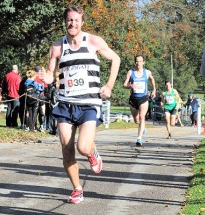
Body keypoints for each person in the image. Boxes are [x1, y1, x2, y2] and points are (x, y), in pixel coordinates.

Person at [39, 5, 120, 204]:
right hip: (65, 103)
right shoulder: (57, 46)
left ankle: (92, 153)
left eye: (76, 20)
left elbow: (115, 59)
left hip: (89, 103)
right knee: (67, 149)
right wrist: (46, 78)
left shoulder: (93, 41)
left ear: (82, 22)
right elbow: (51, 75)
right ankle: (77, 188)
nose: (72, 23)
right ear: (65, 22)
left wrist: (109, 85)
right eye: (69, 20)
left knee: (83, 147)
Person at [123, 55, 156, 146]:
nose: (138, 63)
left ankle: (139, 138)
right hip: (133, 99)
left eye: (140, 61)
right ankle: (142, 126)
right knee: (137, 120)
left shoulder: (147, 72)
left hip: (143, 98)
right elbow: (124, 84)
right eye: (137, 61)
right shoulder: (130, 72)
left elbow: (152, 79)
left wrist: (154, 90)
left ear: (143, 62)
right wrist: (129, 86)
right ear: (135, 62)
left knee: (142, 117)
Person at [34, 66, 47, 132]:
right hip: (41, 97)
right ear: (39, 71)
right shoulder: (42, 78)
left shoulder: (34, 78)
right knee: (42, 113)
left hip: (34, 97)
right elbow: (46, 87)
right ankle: (41, 126)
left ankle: (35, 126)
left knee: (35, 112)